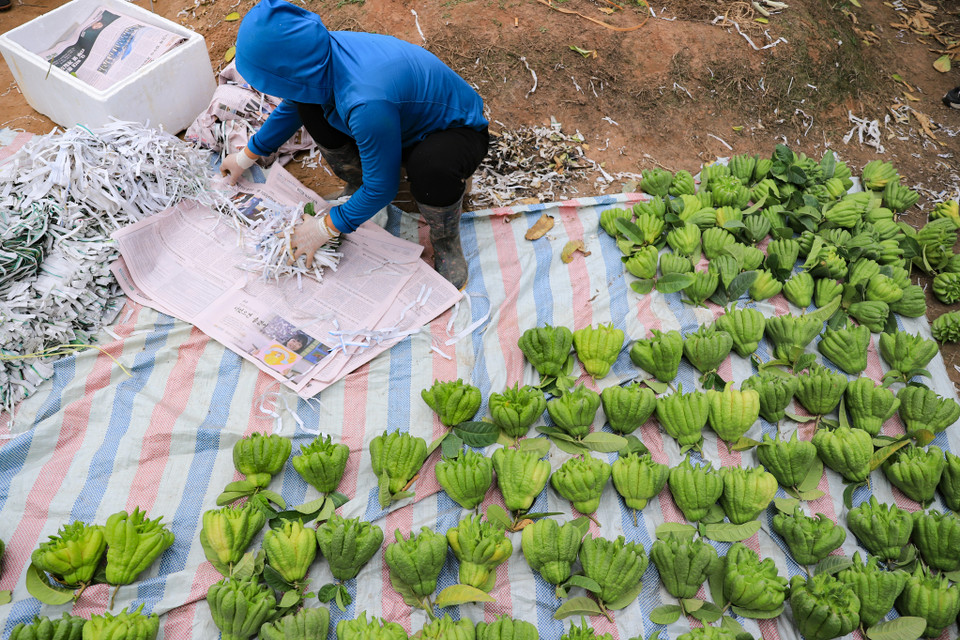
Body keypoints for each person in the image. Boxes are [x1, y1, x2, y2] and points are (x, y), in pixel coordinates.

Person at [221, 0, 490, 289]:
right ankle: (358, 179)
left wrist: (327, 226)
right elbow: (293, 105)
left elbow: (382, 189)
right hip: (391, 123)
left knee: (431, 169)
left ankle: (446, 240)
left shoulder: (365, 102)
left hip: (452, 132)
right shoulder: (316, 58)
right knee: (309, 108)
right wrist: (246, 156)